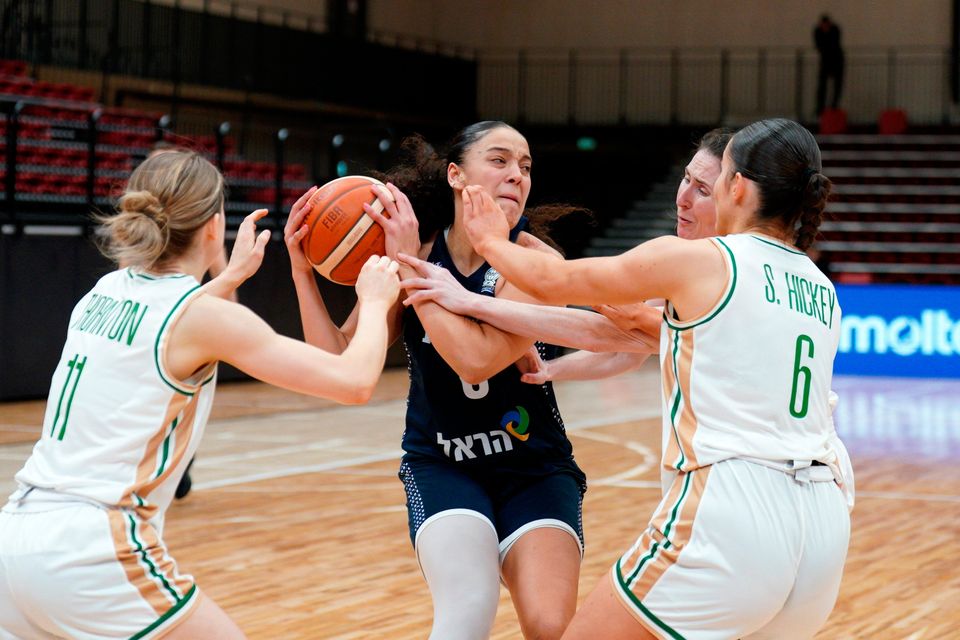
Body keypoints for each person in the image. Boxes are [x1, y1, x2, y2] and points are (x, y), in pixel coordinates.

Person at [458, 118, 852, 639]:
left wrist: (488, 239)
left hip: (734, 508)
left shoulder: (702, 261)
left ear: (736, 186)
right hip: (824, 522)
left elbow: (554, 282)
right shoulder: (822, 289)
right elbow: (642, 330)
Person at [0, 150, 401, 639]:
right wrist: (377, 301)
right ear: (215, 227)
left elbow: (167, 326)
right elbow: (353, 382)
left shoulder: (104, 290)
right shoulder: (202, 317)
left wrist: (228, 279)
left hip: (17, 536)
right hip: (92, 549)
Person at [284, 121, 592, 640]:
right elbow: (338, 360)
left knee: (549, 626)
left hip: (535, 469)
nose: (516, 175)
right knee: (468, 612)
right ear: (455, 175)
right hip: (443, 464)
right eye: (499, 160)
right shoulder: (419, 253)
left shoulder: (539, 266)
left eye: (525, 166)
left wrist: (410, 272)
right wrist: (301, 271)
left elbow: (476, 360)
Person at [400, 128, 732, 385]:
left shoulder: (709, 263)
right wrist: (550, 369)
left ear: (738, 195)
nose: (682, 199)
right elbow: (624, 348)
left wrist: (484, 259)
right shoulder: (703, 260)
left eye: (702, 190)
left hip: (741, 455)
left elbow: (607, 326)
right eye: (685, 179)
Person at [814, 14, 845, 116]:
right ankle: (820, 107)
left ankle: (834, 106)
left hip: (837, 60)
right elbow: (819, 46)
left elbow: (834, 44)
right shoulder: (817, 31)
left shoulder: (835, 30)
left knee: (837, 86)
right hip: (826, 61)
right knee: (822, 85)